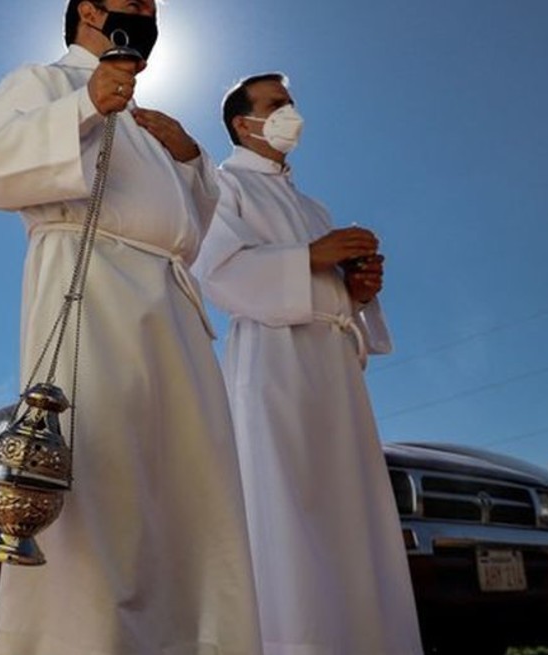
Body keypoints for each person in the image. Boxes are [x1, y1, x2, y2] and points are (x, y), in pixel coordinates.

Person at [0, 2, 263, 653]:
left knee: (190, 495)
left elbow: (187, 231)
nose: (147, 13)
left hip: (173, 308)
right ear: (91, 10)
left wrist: (189, 163)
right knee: (103, 484)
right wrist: (85, 106)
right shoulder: (41, 82)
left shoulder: (145, 119)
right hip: (91, 287)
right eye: (135, 5)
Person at [191, 72, 423, 655]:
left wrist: (359, 293)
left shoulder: (313, 205)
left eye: (290, 103)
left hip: (333, 368)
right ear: (243, 124)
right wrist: (312, 257)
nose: (290, 112)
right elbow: (216, 273)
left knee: (352, 510)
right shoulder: (223, 188)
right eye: (276, 104)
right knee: (288, 508)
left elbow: (333, 289)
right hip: (274, 363)